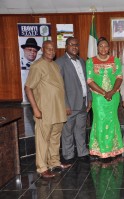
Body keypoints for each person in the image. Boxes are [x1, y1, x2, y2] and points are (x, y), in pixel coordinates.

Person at [25, 40, 71, 178]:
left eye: (53, 49)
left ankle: (54, 162)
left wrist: (64, 106)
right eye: (48, 49)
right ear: (43, 50)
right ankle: (42, 167)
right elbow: (28, 88)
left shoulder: (55, 66)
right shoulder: (37, 66)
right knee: (43, 139)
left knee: (55, 137)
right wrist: (35, 109)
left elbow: (59, 88)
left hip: (58, 110)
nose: (51, 51)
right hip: (44, 111)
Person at [86, 36, 124, 161]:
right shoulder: (90, 62)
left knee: (113, 120)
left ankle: (114, 149)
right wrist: (104, 93)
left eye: (106, 46)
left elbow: (119, 77)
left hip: (113, 97)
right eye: (101, 46)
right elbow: (90, 80)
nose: (103, 48)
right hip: (98, 98)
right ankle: (102, 151)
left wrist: (112, 92)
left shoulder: (116, 60)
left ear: (109, 48)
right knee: (100, 121)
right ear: (97, 47)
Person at [56, 37, 92, 164]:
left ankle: (82, 152)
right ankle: (68, 154)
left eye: (76, 45)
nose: (75, 47)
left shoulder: (82, 61)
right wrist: (65, 104)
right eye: (72, 45)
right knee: (68, 131)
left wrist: (89, 99)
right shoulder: (60, 62)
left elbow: (86, 83)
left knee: (81, 129)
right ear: (66, 46)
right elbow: (60, 87)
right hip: (69, 104)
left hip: (83, 102)